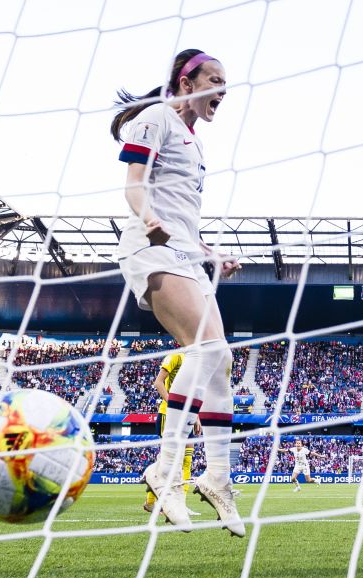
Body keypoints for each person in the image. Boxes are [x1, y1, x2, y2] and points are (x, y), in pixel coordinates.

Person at [111, 48, 245, 537]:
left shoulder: (195, 142)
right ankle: (165, 474)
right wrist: (150, 220)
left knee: (222, 360)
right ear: (186, 84)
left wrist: (212, 254)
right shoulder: (156, 118)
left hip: (186, 256)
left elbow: (185, 220)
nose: (223, 90)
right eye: (215, 79)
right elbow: (134, 185)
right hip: (149, 249)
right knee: (207, 350)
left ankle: (217, 478)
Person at [144, 351, 203, 517]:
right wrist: (175, 406)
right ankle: (154, 502)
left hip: (188, 415)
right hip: (170, 414)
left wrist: (196, 415)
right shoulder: (176, 356)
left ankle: (180, 504)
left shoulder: (196, 361)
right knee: (170, 460)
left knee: (187, 459)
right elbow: (158, 383)